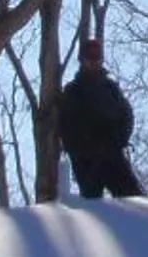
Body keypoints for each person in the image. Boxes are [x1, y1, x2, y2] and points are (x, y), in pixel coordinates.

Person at [56, 38, 142, 201]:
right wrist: (81, 146)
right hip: (85, 158)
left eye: (97, 58)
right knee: (92, 206)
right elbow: (66, 125)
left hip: (112, 153)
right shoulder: (73, 90)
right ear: (82, 60)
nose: (94, 62)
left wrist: (119, 139)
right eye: (89, 58)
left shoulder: (111, 88)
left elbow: (126, 115)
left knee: (133, 199)